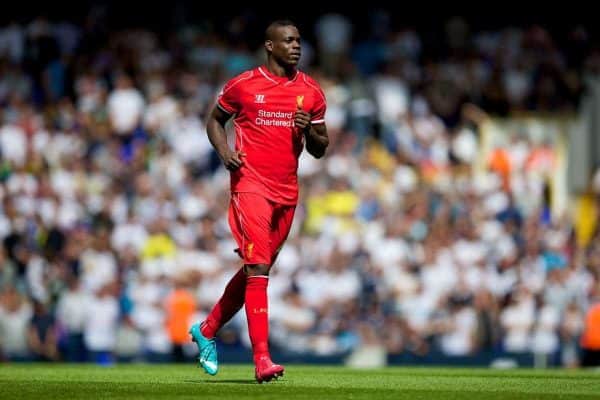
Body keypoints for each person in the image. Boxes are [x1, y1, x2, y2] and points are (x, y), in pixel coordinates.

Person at [188, 19, 328, 383]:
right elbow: (215, 121)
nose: (296, 46)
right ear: (270, 46)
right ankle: (262, 359)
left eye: (298, 40)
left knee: (256, 267)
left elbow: (320, 148)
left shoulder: (311, 91)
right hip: (250, 184)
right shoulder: (244, 85)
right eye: (288, 40)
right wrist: (224, 153)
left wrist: (309, 129)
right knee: (258, 268)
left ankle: (207, 328)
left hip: (287, 191)